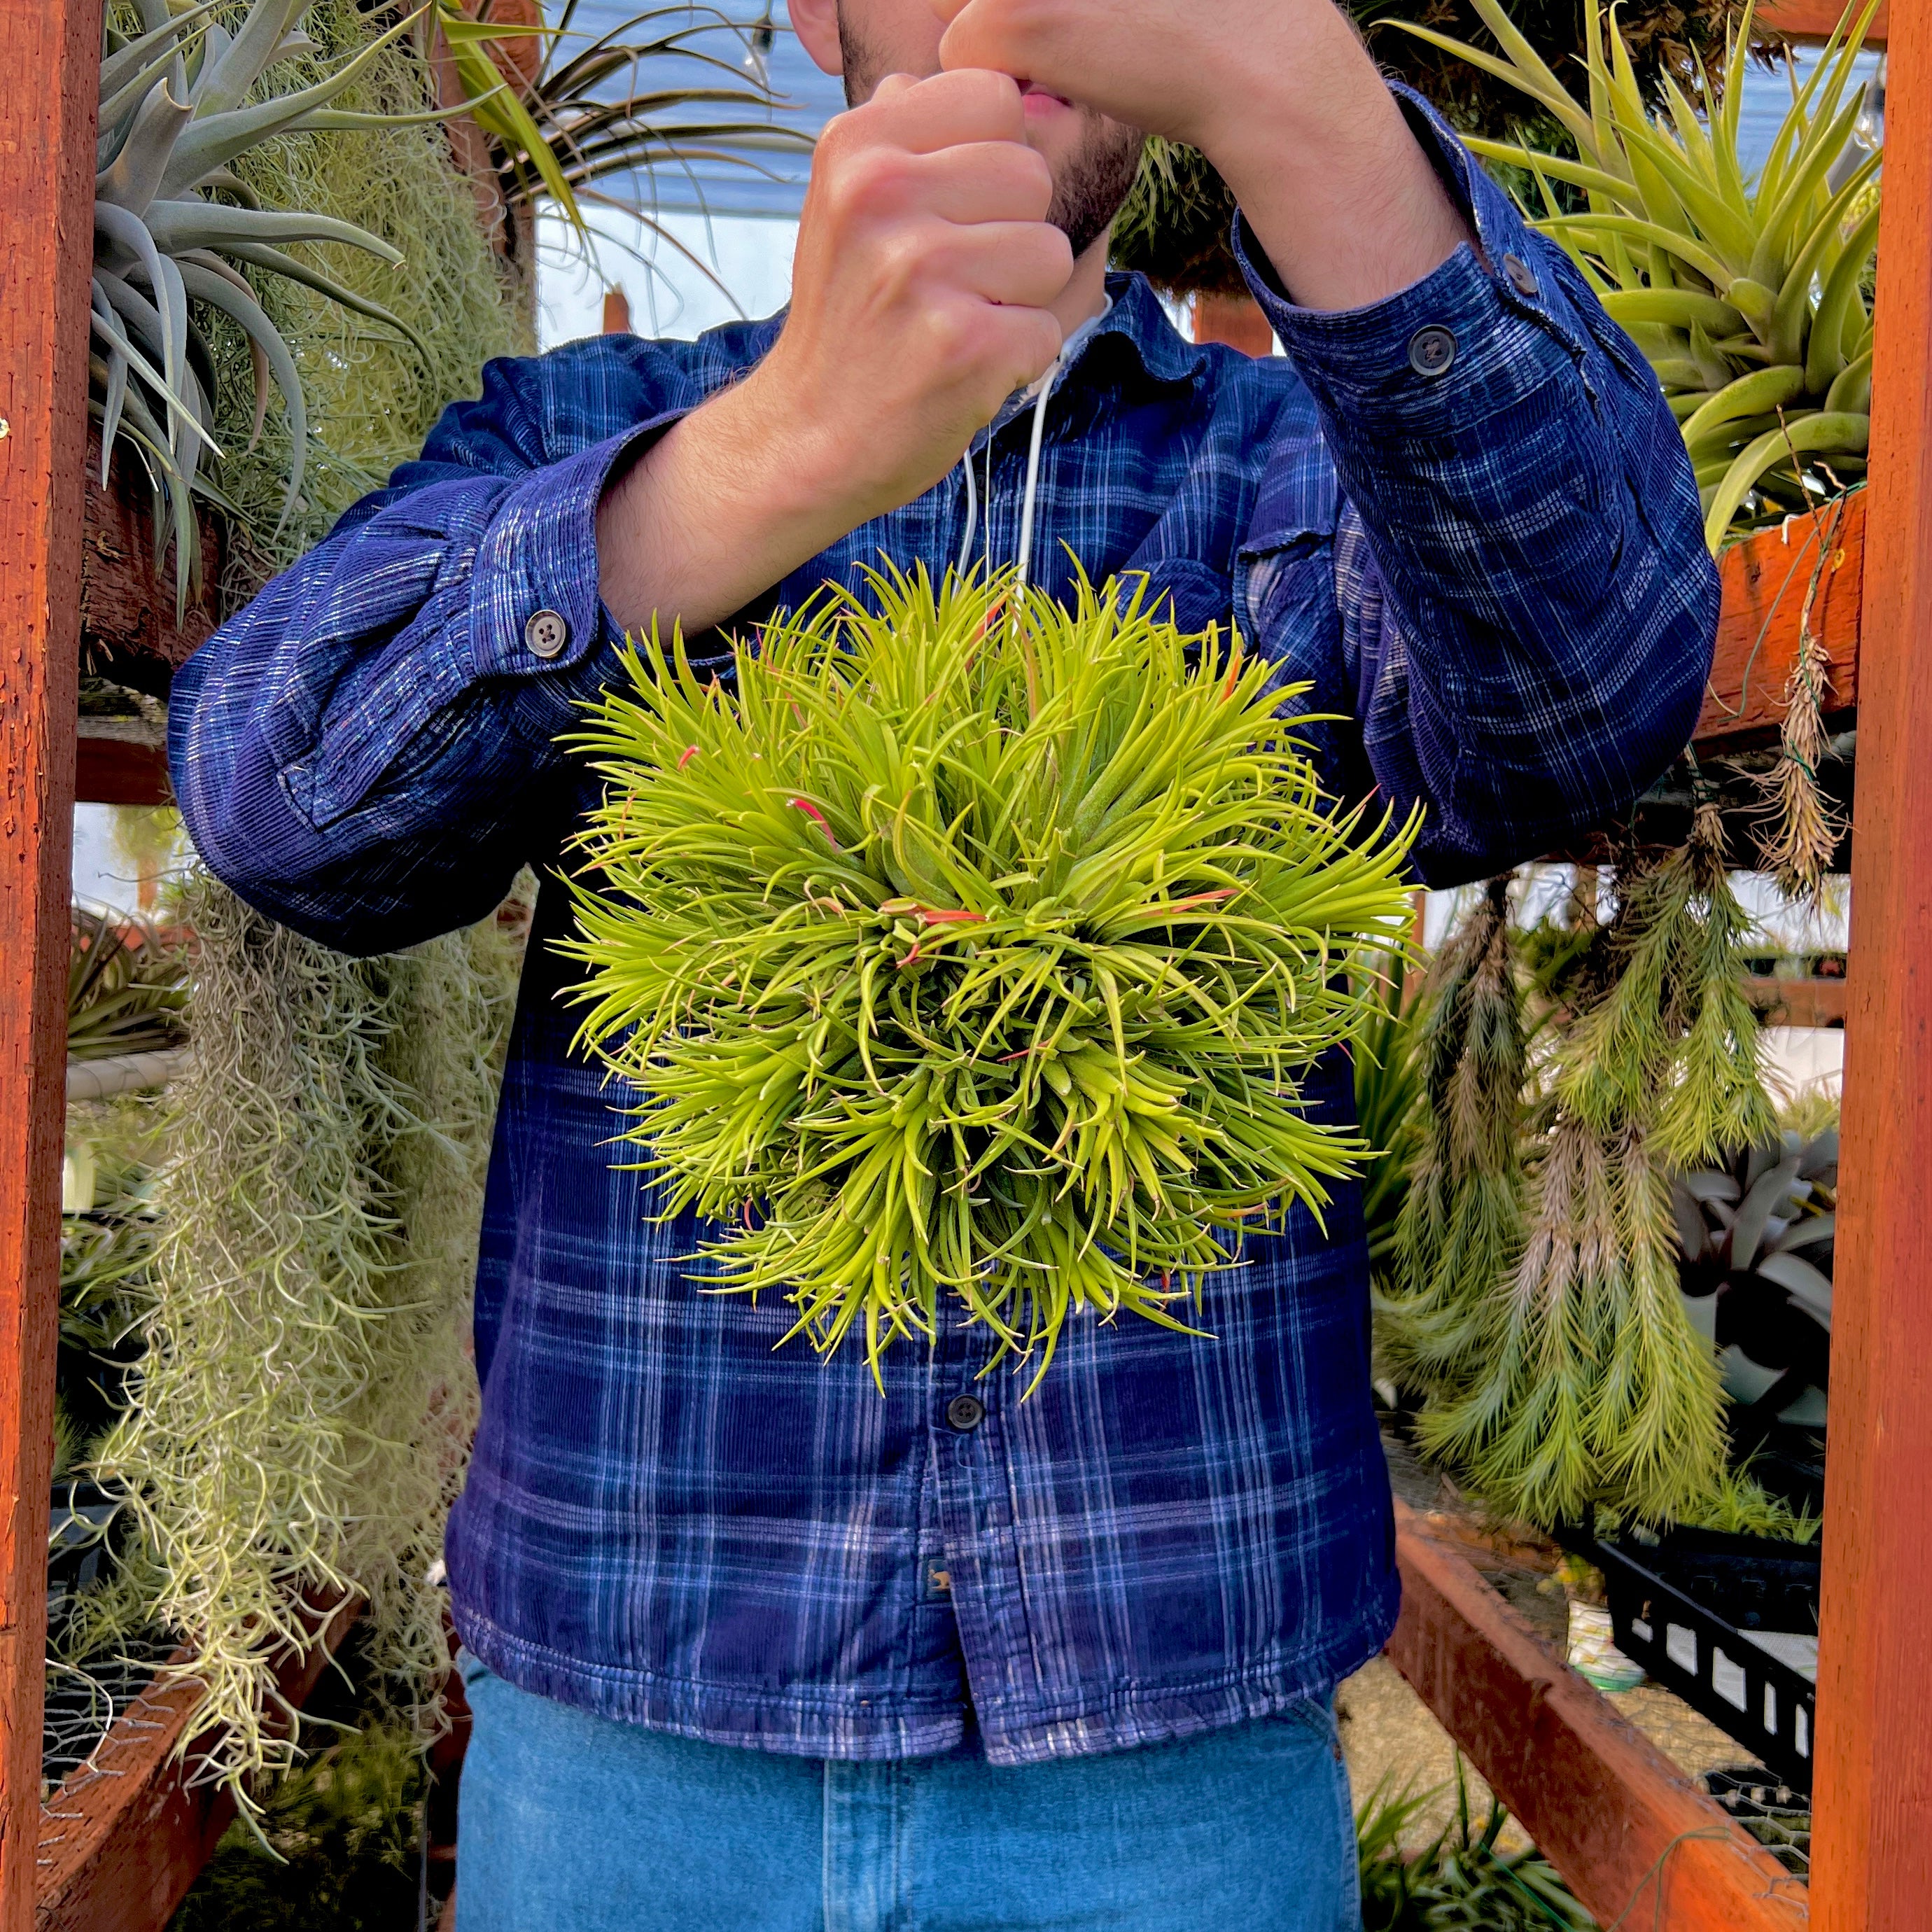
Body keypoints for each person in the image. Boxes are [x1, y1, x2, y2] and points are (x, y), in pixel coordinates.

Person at [168, 0, 1718, 1924]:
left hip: (1167, 1760)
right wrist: (774, 460)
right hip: (633, 1732)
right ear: (823, 11)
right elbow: (280, 795)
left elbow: (1588, 693)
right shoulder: (578, 429)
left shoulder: (1284, 475)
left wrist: (1300, 103)